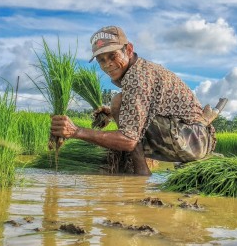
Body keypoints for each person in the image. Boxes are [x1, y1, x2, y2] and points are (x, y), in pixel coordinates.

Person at [50, 25, 225, 175]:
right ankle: (141, 171)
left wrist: (76, 131)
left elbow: (128, 140)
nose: (107, 64)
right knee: (118, 104)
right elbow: (150, 108)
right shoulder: (139, 71)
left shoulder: (137, 78)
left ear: (129, 50)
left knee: (118, 102)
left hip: (194, 141)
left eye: (112, 56)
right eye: (101, 60)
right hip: (192, 138)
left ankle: (141, 172)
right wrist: (112, 114)